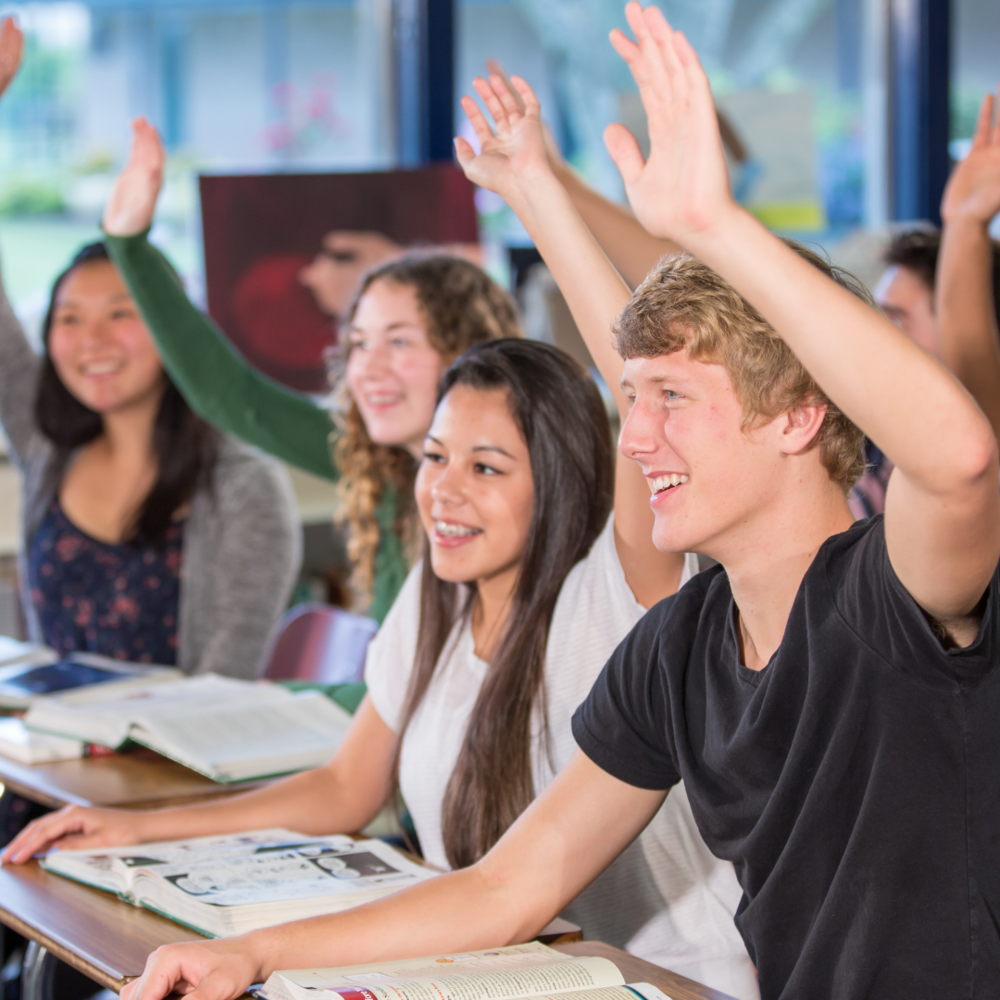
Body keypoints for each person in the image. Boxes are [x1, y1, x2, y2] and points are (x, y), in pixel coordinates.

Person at [90, 7, 1000, 1000]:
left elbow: (959, 456)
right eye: (632, 404)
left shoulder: (889, 592)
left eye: (672, 405)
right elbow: (508, 885)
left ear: (794, 419)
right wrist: (253, 952)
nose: (635, 435)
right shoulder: (684, 644)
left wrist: (713, 225)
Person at [3, 334, 755, 995]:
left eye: (487, 468)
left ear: (558, 481)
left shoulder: (614, 589)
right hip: (501, 967)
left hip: (660, 980)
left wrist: (534, 184)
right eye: (435, 457)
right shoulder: (441, 590)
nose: (443, 490)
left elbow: (629, 368)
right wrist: (138, 831)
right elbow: (343, 786)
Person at [100, 121, 522, 622]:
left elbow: (424, 697)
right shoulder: (383, 468)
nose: (369, 369)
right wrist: (129, 244)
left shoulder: (507, 502)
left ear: (467, 352)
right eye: (359, 344)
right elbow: (233, 398)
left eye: (401, 341)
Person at [0, 20, 299, 677]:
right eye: (69, 319)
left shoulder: (245, 491)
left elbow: (221, 696)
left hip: (175, 778)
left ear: (172, 328)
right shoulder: (49, 447)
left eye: (120, 314)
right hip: (49, 777)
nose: (92, 341)